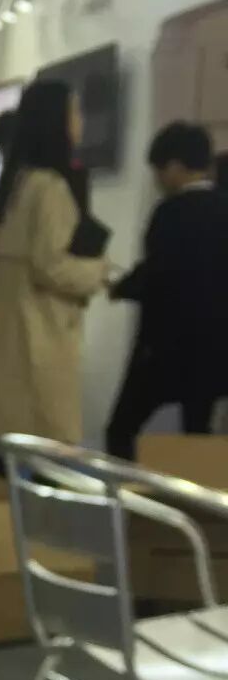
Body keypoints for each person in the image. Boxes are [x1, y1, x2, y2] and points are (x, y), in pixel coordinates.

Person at [0, 80, 110, 444]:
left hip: (3, 340)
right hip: (39, 335)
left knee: (5, 445)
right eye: (74, 112)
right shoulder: (50, 187)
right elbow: (52, 267)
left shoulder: (13, 186)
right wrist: (100, 271)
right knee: (46, 444)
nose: (79, 121)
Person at [104, 122, 228, 458]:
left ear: (173, 166)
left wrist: (120, 287)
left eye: (158, 171)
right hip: (216, 346)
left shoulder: (169, 212)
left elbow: (158, 272)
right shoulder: (224, 208)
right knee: (198, 432)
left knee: (121, 428)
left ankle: (125, 488)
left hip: (166, 346)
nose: (157, 180)